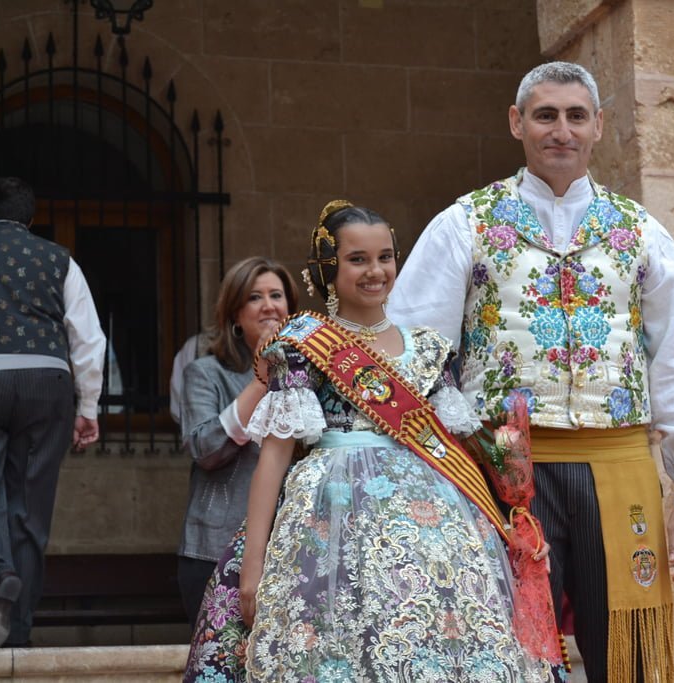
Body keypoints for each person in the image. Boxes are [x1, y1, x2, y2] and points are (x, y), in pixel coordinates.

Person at [386, 61, 674, 682]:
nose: (560, 131)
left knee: (631, 655)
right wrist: (432, 475)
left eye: (575, 116)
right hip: (505, 473)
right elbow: (412, 356)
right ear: (517, 123)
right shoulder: (465, 222)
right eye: (545, 115)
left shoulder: (642, 232)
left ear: (599, 126)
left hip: (621, 466)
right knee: (514, 650)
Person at [184, 201, 554, 682]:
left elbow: (457, 452)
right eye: (357, 259)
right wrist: (252, 568)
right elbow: (272, 459)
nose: (375, 270)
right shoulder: (302, 344)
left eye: (385, 256)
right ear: (327, 267)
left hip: (438, 533)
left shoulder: (428, 347)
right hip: (329, 523)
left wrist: (512, 525)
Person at [0, 176, 106, 648]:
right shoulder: (59, 258)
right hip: (47, 380)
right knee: (30, 510)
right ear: (30, 218)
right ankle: (16, 632)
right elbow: (88, 337)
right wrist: (88, 407)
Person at [176, 257, 298, 628]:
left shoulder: (309, 375)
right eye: (254, 297)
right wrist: (259, 383)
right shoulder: (206, 373)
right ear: (234, 315)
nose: (268, 306)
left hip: (293, 549)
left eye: (276, 295)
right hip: (216, 548)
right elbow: (206, 449)